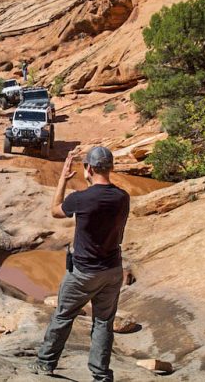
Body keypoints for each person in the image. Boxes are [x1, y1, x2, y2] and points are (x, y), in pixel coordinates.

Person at [29, 146, 130, 382]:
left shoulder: (81, 199)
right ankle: (101, 375)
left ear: (89, 168)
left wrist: (62, 180)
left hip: (83, 272)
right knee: (104, 322)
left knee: (63, 317)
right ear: (110, 168)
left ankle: (45, 364)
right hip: (112, 270)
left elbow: (55, 211)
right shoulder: (122, 197)